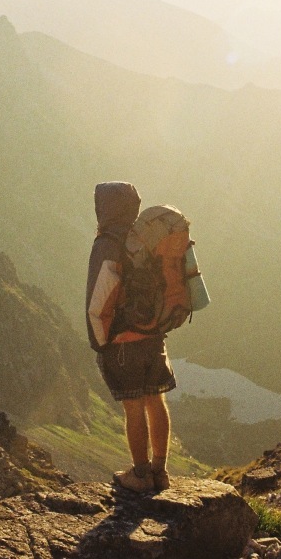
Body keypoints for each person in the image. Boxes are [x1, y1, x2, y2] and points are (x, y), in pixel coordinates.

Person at [86, 181, 176, 492]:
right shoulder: (145, 239)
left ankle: (139, 475)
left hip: (123, 341)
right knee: (156, 399)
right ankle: (160, 472)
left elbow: (99, 299)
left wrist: (100, 343)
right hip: (154, 336)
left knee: (134, 406)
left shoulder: (107, 244)